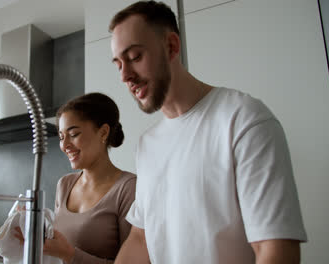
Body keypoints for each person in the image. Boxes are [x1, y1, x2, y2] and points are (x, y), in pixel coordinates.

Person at [109, 1, 307, 263]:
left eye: (134, 57)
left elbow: (276, 250)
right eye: (118, 64)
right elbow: (140, 239)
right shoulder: (148, 144)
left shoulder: (242, 120)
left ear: (171, 46)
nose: (125, 76)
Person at [16, 92, 136, 263]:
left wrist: (71, 255)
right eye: (61, 137)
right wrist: (31, 227)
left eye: (73, 135)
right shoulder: (65, 184)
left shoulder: (128, 188)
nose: (65, 146)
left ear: (103, 132)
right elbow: (58, 247)